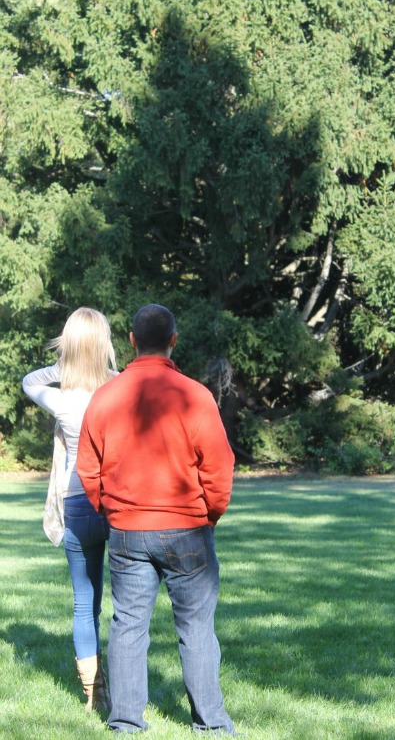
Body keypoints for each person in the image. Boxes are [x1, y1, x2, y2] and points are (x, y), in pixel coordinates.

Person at [77, 303, 236, 735]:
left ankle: (125, 721)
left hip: (128, 530)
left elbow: (89, 469)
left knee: (128, 625)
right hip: (187, 528)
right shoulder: (195, 395)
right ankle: (212, 724)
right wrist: (210, 516)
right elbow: (219, 470)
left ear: (131, 341)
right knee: (196, 628)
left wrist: (111, 511)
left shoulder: (105, 397)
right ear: (173, 341)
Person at [22, 307, 117, 713]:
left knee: (85, 602)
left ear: (69, 347)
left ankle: (92, 692)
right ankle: (126, 684)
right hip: (117, 504)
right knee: (128, 601)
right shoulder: (118, 390)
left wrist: (64, 364)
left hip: (78, 503)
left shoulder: (61, 399)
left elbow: (29, 380)